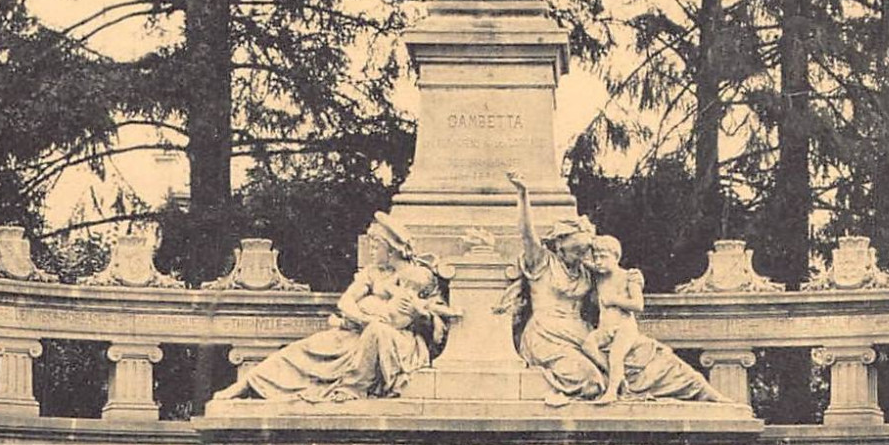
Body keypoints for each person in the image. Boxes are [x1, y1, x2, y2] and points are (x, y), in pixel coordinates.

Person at [212, 214, 459, 403]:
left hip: (397, 343)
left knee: (376, 332)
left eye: (376, 246)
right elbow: (345, 302)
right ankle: (248, 384)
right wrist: (362, 317)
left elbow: (437, 320)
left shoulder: (419, 276)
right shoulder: (372, 273)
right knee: (303, 348)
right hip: (356, 332)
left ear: (390, 248)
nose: (372, 251)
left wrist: (419, 315)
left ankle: (352, 388)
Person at [501, 171, 604, 402]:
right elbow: (527, 235)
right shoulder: (543, 263)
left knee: (621, 370)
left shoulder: (586, 272)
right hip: (547, 335)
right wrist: (523, 194)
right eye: (575, 251)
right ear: (560, 245)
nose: (580, 256)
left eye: (583, 251)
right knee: (592, 380)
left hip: (582, 335)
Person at [582, 235, 645, 405]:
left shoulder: (629, 276)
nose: (599, 261)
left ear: (616, 257)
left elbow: (638, 305)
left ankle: (611, 392)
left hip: (624, 327)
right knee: (588, 345)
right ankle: (618, 377)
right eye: (597, 257)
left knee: (616, 356)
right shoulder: (599, 276)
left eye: (604, 257)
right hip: (605, 328)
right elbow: (582, 257)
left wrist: (614, 300)